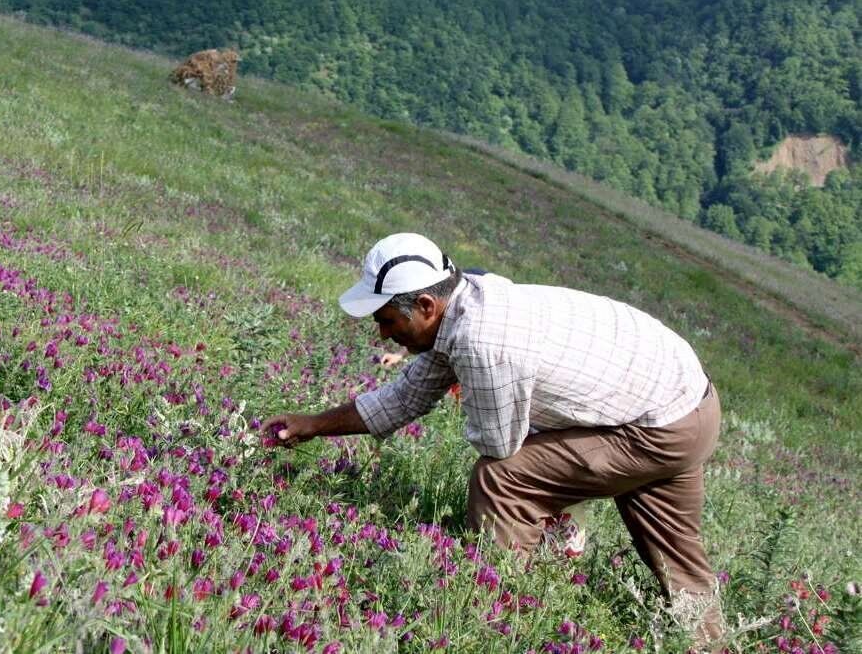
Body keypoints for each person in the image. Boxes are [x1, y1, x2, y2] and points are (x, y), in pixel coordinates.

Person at [264, 233, 723, 646]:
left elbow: (501, 447)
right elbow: (405, 397)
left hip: (659, 427)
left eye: (387, 320)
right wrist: (313, 424)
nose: (382, 333)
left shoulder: (484, 342)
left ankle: (506, 618)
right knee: (679, 559)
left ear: (426, 305)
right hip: (687, 400)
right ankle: (711, 643)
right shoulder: (465, 305)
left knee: (502, 479)